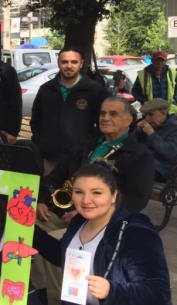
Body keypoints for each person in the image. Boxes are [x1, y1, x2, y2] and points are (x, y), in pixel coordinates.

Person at [35, 96, 154, 304]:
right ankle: (37, 293)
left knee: (61, 246)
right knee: (23, 228)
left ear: (129, 120)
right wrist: (41, 200)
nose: (105, 118)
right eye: (102, 113)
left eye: (113, 114)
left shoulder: (139, 155)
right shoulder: (86, 146)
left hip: (101, 222)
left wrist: (87, 213)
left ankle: (57, 300)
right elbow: (55, 175)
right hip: (64, 214)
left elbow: (137, 199)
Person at [34, 164, 172, 305]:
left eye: (97, 193)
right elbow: (63, 255)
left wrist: (112, 291)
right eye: (79, 192)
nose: (86, 200)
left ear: (114, 195)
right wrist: (32, 233)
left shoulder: (136, 232)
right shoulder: (79, 221)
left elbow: (158, 292)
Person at [31, 47, 108, 174]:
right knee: (50, 192)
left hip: (81, 159)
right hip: (50, 157)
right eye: (65, 62)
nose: (69, 66)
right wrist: (41, 141)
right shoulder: (46, 90)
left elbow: (103, 123)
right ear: (58, 63)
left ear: (81, 63)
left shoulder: (95, 91)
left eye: (74, 62)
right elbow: (36, 119)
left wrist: (87, 146)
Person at [133, 98, 177, 182]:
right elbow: (129, 144)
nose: (147, 119)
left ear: (163, 114)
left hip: (159, 169)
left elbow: (171, 154)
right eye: (145, 115)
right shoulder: (148, 126)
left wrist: (152, 134)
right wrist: (137, 131)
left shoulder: (174, 128)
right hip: (139, 161)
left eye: (151, 114)